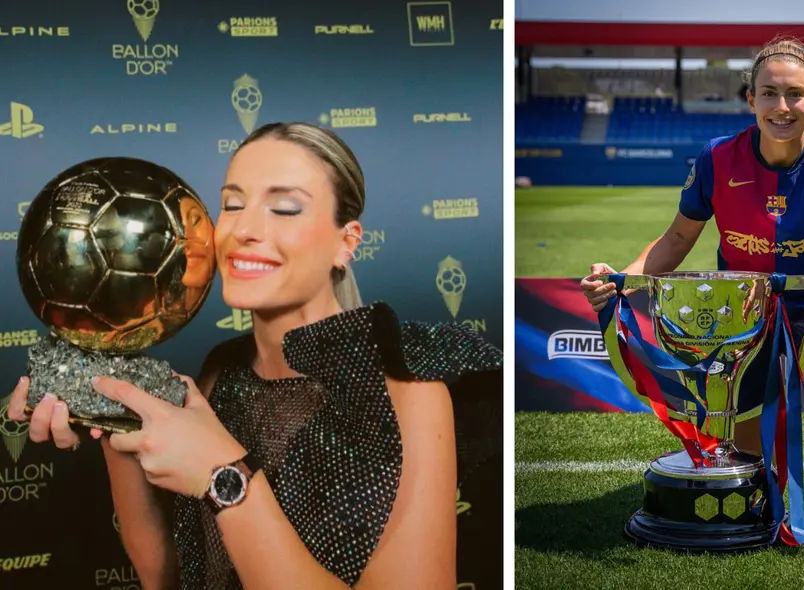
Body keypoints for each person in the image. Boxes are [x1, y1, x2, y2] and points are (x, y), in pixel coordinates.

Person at [7, 122, 503, 589]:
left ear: (346, 242)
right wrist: (113, 417)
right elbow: (166, 573)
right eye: (232, 204)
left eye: (285, 208)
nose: (244, 229)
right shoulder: (220, 373)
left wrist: (223, 474)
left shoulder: (406, 388)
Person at [581, 38, 804, 549]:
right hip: (742, 329)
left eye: (795, 94)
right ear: (750, 98)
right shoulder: (717, 157)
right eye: (769, 93)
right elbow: (677, 239)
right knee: (753, 481)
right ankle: (757, 464)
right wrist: (623, 281)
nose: (782, 107)